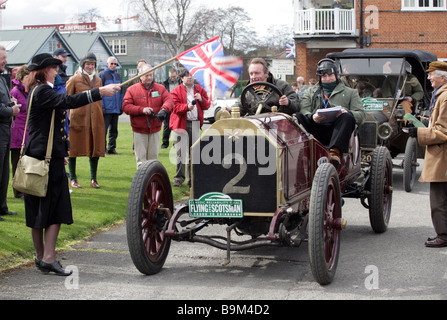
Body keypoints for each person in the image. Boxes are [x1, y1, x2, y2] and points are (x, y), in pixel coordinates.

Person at [23, 53, 120, 275]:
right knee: (55, 208)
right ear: (43, 70)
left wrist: (62, 145)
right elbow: (67, 101)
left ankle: (41, 257)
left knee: (37, 209)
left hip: (41, 153)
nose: (57, 71)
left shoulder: (36, 90)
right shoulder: (44, 91)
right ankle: (48, 257)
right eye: (53, 68)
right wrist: (99, 92)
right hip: (46, 158)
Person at [296, 58, 365, 168]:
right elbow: (304, 111)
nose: (328, 79)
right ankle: (302, 150)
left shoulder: (351, 93)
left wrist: (345, 111)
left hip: (338, 132)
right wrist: (313, 117)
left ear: (336, 75)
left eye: (330, 75)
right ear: (320, 77)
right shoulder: (310, 92)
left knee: (347, 116)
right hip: (316, 130)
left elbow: (361, 116)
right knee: (297, 117)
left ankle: (334, 153)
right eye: (324, 76)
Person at [408, 61, 447, 248]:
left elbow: (443, 132)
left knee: (439, 200)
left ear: (443, 77)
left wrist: (419, 132)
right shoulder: (441, 95)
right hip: (442, 155)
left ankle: (443, 235)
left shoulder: (445, 97)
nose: (429, 78)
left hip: (443, 157)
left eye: (432, 75)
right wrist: (420, 121)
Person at [66, 52, 105, 189]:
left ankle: (93, 179)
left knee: (95, 149)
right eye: (88, 64)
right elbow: (67, 99)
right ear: (83, 64)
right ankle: (73, 179)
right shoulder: (74, 79)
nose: (90, 66)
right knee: (73, 149)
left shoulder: (98, 80)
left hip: (96, 120)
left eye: (92, 64)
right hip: (78, 120)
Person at [122, 64, 173, 167]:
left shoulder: (160, 88)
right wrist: (142, 110)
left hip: (155, 129)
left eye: (151, 75)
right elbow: (126, 107)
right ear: (140, 75)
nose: (149, 77)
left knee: (153, 160)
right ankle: (142, 182)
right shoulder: (131, 90)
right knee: (141, 161)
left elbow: (169, 100)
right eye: (146, 75)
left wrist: (164, 109)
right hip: (139, 130)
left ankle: (152, 182)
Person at [169, 68, 210, 187]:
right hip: (181, 124)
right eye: (186, 75)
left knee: (195, 153)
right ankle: (179, 178)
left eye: (191, 75)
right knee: (180, 153)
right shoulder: (176, 91)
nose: (189, 77)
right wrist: (186, 107)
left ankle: (192, 179)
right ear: (181, 78)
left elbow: (207, 105)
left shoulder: (199, 89)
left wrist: (201, 99)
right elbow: (174, 107)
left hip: (195, 124)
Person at [0, 45, 20, 222]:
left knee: (5, 171)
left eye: (5, 57)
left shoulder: (1, 78)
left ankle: (2, 206)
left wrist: (10, 103)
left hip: (5, 130)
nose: (5, 61)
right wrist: (10, 110)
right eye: (2, 58)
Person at [9, 65, 30, 199]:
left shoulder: (29, 91)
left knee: (26, 163)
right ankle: (18, 191)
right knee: (17, 162)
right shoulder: (15, 92)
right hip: (17, 132)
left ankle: (25, 188)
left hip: (27, 131)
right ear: (21, 78)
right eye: (28, 77)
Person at [99, 56, 123, 155]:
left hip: (115, 108)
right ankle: (102, 149)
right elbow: (99, 92)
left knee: (114, 130)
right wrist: (102, 106)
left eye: (115, 64)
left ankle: (111, 148)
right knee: (103, 130)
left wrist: (121, 105)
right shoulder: (102, 75)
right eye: (111, 64)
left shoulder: (118, 76)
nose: (113, 65)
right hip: (106, 108)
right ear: (107, 64)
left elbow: (121, 93)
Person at [53, 48, 71, 137]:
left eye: (66, 57)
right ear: (55, 57)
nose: (65, 59)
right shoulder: (56, 75)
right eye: (63, 56)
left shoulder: (63, 71)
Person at [161, 68, 181, 149]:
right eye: (171, 77)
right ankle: (165, 143)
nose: (172, 78)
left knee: (178, 126)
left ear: (177, 74)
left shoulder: (181, 82)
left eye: (174, 76)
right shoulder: (165, 84)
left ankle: (176, 144)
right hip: (169, 107)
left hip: (178, 106)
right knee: (167, 126)